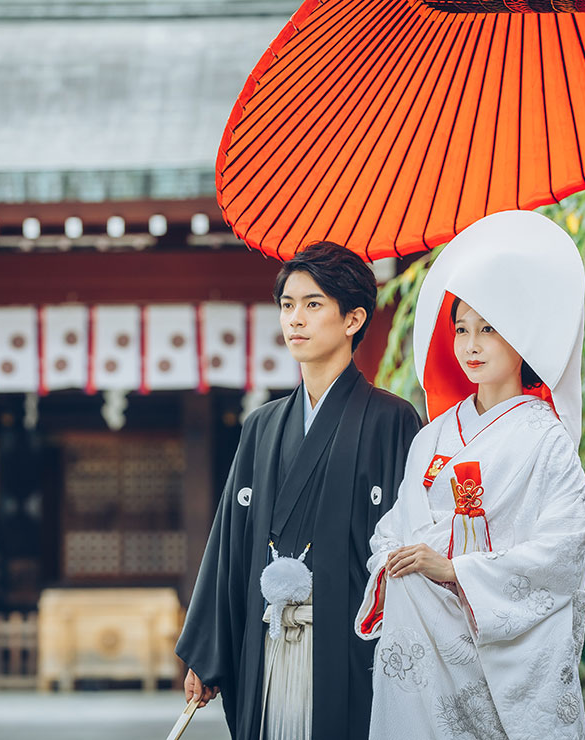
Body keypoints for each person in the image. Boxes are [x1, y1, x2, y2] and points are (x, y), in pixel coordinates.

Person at [353, 210, 585, 740]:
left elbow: (565, 549)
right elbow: (394, 530)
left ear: (522, 336)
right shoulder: (433, 437)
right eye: (461, 328)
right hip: (427, 635)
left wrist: (456, 571)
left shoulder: (546, 438)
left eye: (489, 329)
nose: (471, 344)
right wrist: (404, 562)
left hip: (499, 641)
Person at [177, 241, 422, 740]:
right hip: (266, 641)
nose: (295, 320)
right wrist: (208, 653)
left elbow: (409, 546)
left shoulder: (392, 421)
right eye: (287, 305)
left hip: (352, 648)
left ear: (353, 320)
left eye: (313, 305)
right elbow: (230, 546)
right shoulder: (262, 427)